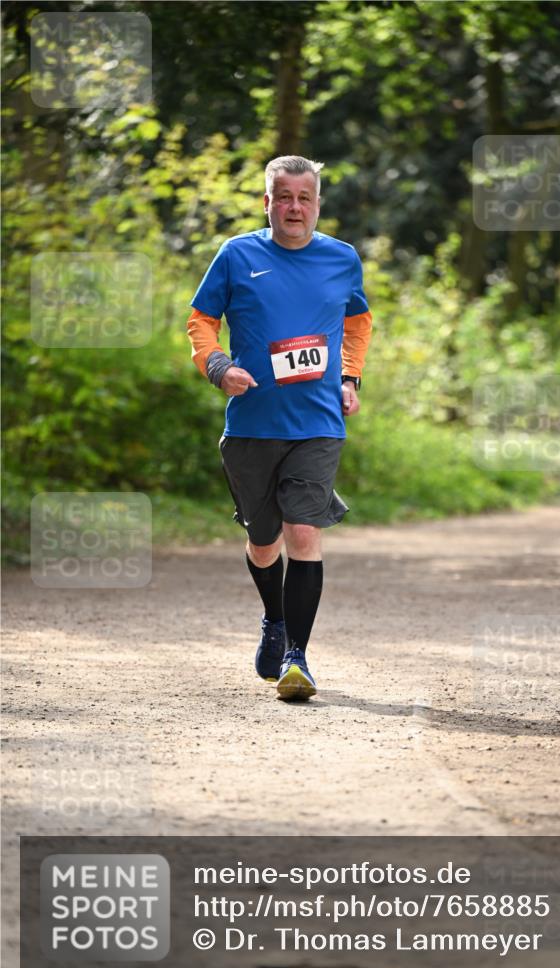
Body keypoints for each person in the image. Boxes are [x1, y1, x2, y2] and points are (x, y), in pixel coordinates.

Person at [186, 155, 372, 701]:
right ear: (267, 202)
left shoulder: (342, 259)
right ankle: (275, 618)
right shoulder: (237, 254)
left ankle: (298, 657)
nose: (294, 207)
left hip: (317, 423)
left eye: (304, 198)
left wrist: (350, 378)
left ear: (317, 203)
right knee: (263, 541)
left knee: (304, 533)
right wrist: (218, 367)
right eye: (283, 197)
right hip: (251, 426)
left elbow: (357, 322)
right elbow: (200, 320)